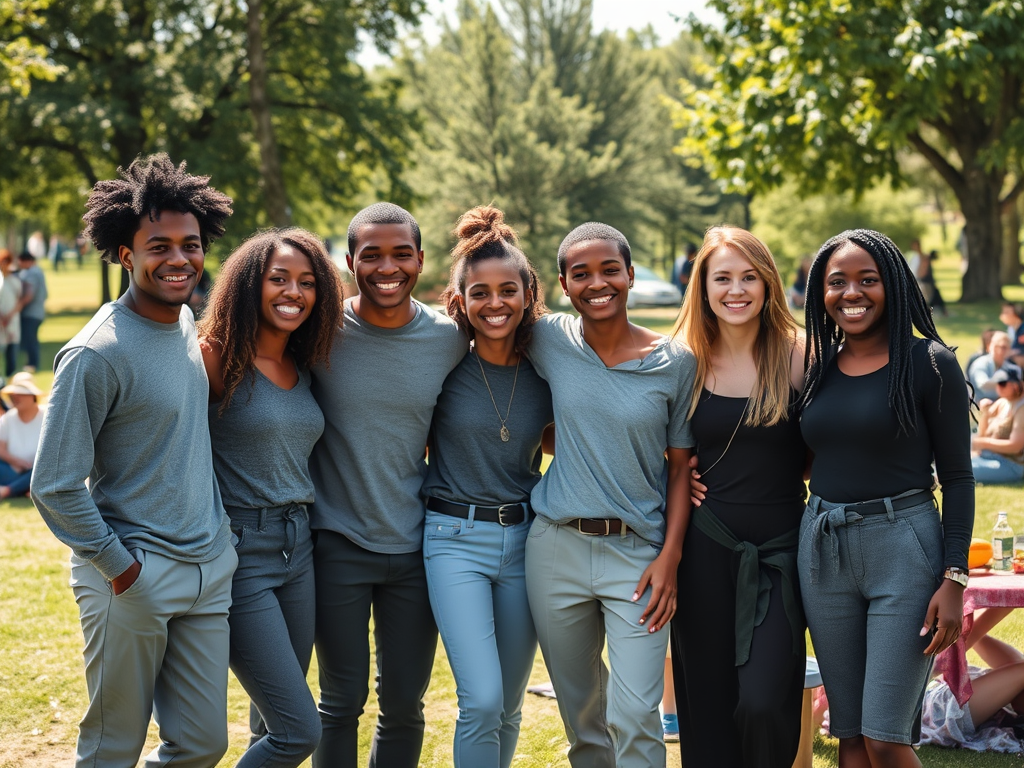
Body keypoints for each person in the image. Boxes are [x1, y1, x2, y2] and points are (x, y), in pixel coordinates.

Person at [31, 153, 237, 768]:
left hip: (208, 569)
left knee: (204, 743)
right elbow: (54, 484)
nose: (179, 259)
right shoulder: (95, 353)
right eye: (159, 246)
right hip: (135, 575)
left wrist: (218, 544)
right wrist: (123, 571)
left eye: (191, 245)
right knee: (111, 748)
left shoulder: (183, 324)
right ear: (126, 254)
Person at [798, 228, 975, 768]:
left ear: (893, 285)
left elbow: (960, 479)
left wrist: (954, 577)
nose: (851, 293)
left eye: (867, 280)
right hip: (823, 548)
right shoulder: (816, 367)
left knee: (884, 736)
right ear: (819, 293)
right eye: (837, 282)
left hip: (904, 548)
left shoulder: (931, 363)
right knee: (848, 735)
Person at [524, 222, 695, 768]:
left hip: (639, 556)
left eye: (609, 270)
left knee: (636, 714)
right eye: (581, 274)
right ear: (563, 284)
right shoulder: (548, 338)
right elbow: (485, 317)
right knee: (582, 716)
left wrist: (670, 556)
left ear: (630, 274)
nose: (597, 283)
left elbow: (679, 470)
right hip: (556, 548)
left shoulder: (676, 361)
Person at [308, 203, 467, 768]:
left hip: (418, 545)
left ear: (421, 260)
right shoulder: (318, 329)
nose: (387, 267)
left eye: (401, 254)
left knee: (404, 703)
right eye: (370, 255)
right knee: (339, 702)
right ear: (349, 262)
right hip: (336, 543)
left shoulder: (450, 339)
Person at [199, 228, 343, 767]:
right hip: (239, 554)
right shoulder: (213, 359)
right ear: (246, 286)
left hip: (298, 548)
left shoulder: (303, 367)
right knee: (298, 731)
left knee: (270, 717)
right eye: (278, 279)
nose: (294, 292)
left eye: (307, 282)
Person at [670, 226, 807, 767]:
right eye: (722, 277)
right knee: (706, 705)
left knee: (763, 702)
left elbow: (832, 442)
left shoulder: (800, 356)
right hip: (705, 547)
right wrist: (672, 477)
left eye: (749, 276)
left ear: (768, 283)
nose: (736, 289)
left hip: (780, 552)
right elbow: (648, 440)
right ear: (702, 286)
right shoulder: (683, 360)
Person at [422, 205, 552, 767]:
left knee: (510, 702)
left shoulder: (549, 368)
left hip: (526, 543)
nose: (494, 303)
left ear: (528, 293)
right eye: (480, 292)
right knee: (482, 698)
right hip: (453, 538)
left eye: (507, 290)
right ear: (460, 301)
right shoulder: (441, 366)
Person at [971, 367, 1024, 484]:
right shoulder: (1002, 402)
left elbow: (1015, 446)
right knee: (955, 464)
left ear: (1018, 384)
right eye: (997, 383)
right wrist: (985, 414)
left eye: (1003, 383)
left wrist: (983, 443)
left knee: (963, 471)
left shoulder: (1021, 409)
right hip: (991, 457)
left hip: (1012, 465)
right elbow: (983, 434)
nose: (998, 388)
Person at [0, 371, 46, 498]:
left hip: (39, 471)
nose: (15, 398)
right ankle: (26, 488)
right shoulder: (7, 419)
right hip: (12, 470)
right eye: (12, 395)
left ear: (32, 396)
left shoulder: (48, 416)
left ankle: (8, 490)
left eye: (20, 394)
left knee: (45, 470)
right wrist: (16, 461)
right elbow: (1, 449)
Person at [14, 249, 48, 373]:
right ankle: (31, 363)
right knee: (31, 338)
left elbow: (29, 295)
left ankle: (32, 364)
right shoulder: (38, 271)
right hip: (38, 312)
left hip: (31, 313)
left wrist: (17, 308)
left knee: (30, 339)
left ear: (27, 261)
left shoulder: (31, 273)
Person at [968, 331, 1022, 400]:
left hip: (1001, 401)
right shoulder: (981, 363)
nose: (1006, 350)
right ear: (993, 346)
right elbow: (983, 384)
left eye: (1008, 347)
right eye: (1003, 347)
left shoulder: (1010, 366)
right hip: (981, 403)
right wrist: (1004, 382)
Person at [0, 249, 22, 377]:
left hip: (12, 320)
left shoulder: (15, 281)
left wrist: (10, 315)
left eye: (6, 261)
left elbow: (19, 301)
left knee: (12, 351)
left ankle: (10, 377)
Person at [1000, 301, 1024, 367]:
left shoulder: (1022, 329)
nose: (1003, 315)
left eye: (1006, 313)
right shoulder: (1010, 329)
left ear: (1016, 315)